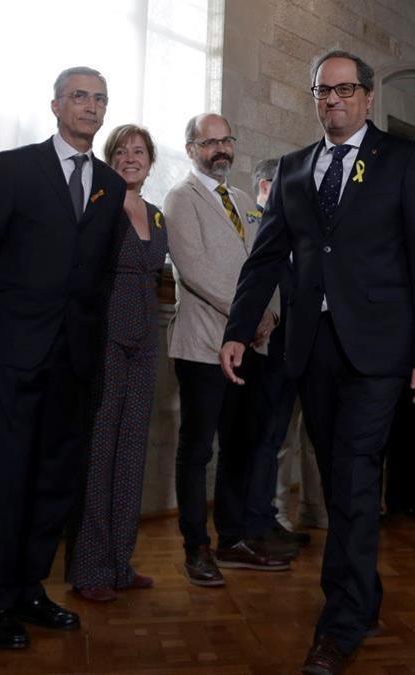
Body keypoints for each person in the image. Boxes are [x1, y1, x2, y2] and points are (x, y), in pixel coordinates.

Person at [218, 50, 415, 674]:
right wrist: (239, 329)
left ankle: (339, 623)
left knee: (350, 477)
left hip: (378, 350)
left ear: (368, 97)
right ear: (314, 97)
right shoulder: (293, 170)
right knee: (340, 472)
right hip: (309, 350)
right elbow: (264, 258)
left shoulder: (402, 160)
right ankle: (364, 597)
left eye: (346, 89)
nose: (334, 100)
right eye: (323, 90)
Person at [0, 66, 129, 650]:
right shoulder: (15, 167)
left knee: (57, 477)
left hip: (75, 357)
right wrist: (10, 328)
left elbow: (104, 273)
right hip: (17, 350)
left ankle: (32, 588)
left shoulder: (111, 184)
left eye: (99, 99)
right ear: (56, 105)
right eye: (79, 97)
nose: (90, 106)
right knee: (8, 474)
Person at [164, 113, 288, 589]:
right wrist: (247, 316)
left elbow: (267, 261)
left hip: (252, 344)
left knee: (242, 445)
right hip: (204, 345)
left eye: (226, 140)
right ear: (191, 146)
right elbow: (195, 270)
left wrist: (270, 312)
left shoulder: (242, 200)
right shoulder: (181, 198)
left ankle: (232, 539)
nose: (220, 149)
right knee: (197, 450)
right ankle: (195, 547)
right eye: (209, 141)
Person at [66, 124, 168, 602]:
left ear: (151, 160)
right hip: (106, 335)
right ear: (109, 158)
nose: (131, 157)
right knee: (99, 452)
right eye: (122, 150)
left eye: (140, 151)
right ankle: (88, 567)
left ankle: (120, 564)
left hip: (148, 342)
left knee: (131, 454)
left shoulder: (158, 216)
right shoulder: (100, 203)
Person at [250, 158, 314, 546]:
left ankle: (278, 516)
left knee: (283, 440)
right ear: (264, 188)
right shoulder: (254, 227)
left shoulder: (295, 231)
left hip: (297, 350)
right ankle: (263, 518)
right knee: (266, 439)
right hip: (266, 349)